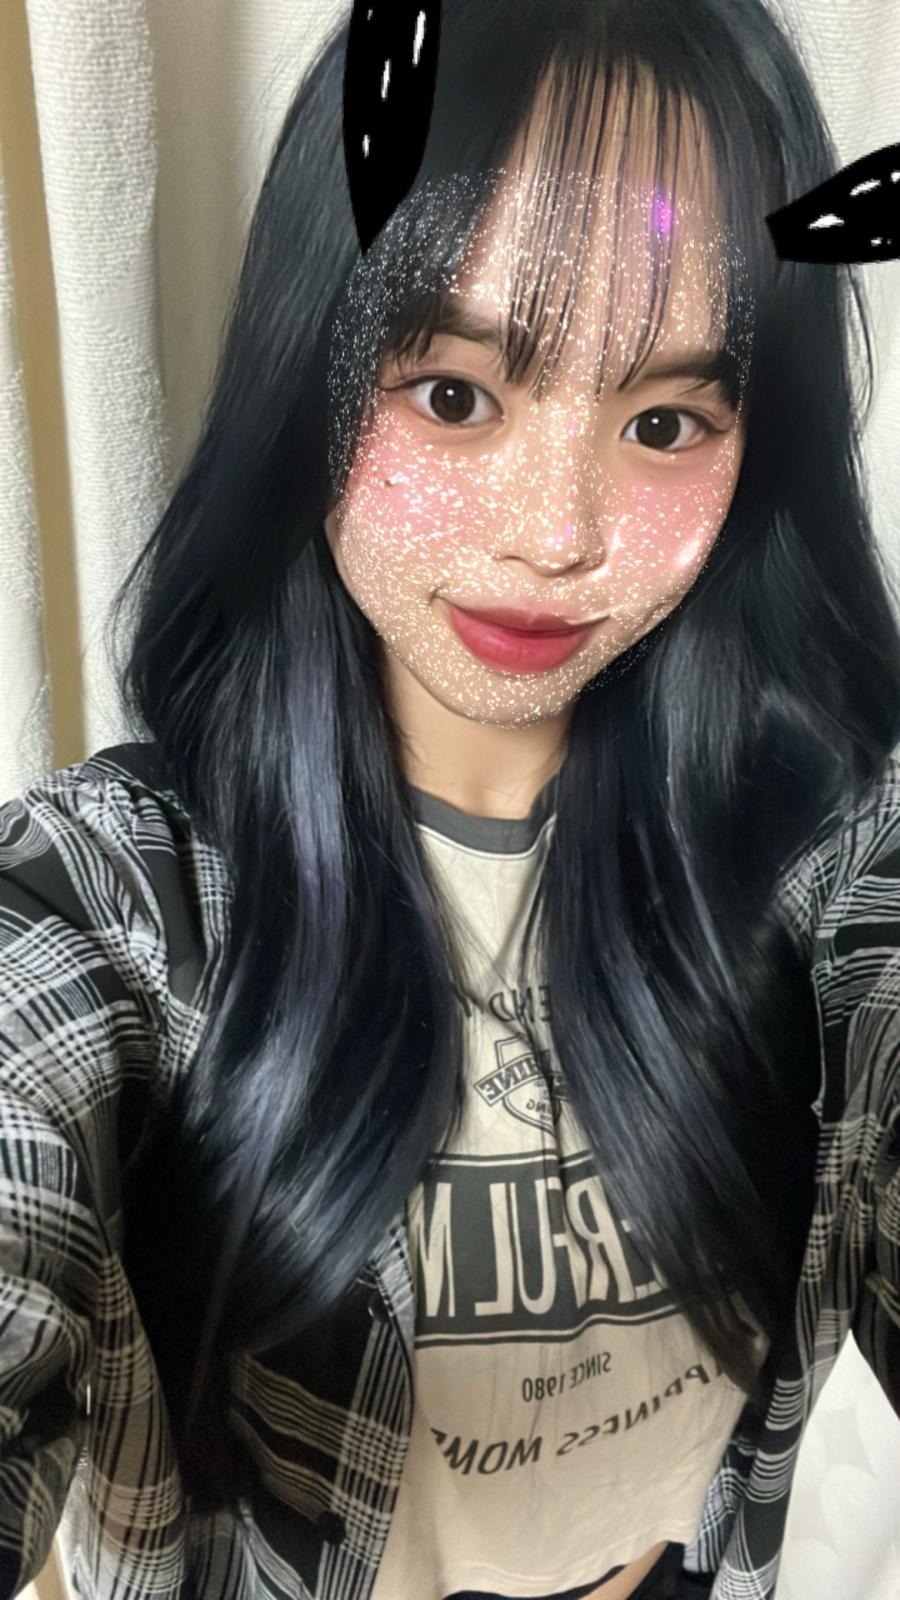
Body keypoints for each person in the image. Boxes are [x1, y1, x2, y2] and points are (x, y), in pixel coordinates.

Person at [0, 2, 898, 1599]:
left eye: (664, 421)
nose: (555, 535)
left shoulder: (821, 866)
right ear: (311, 374)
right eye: (457, 395)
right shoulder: (119, 905)